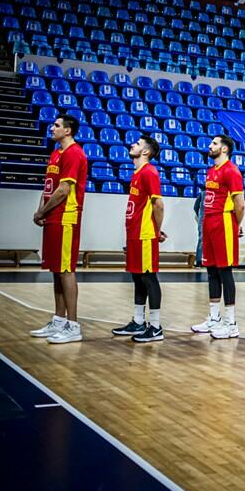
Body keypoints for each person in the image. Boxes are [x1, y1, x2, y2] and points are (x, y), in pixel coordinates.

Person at [29, 114, 88, 344]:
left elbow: (63, 190)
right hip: (52, 216)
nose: (51, 128)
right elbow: (49, 187)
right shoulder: (55, 154)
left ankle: (73, 325)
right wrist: (40, 210)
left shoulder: (74, 153)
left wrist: (42, 212)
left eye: (56, 125)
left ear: (68, 130)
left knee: (66, 269)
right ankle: (59, 320)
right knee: (56, 269)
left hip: (66, 217)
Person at [111, 135, 166, 343]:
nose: (132, 144)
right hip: (134, 233)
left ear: (145, 152)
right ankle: (137, 321)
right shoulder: (137, 173)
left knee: (148, 277)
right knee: (137, 276)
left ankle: (155, 326)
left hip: (145, 234)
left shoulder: (149, 172)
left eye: (137, 144)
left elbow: (158, 204)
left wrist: (157, 230)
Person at [190, 135, 245, 339]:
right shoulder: (212, 171)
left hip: (224, 222)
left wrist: (236, 225)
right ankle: (214, 318)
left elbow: (240, 204)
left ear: (224, 149)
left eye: (214, 143)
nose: (210, 146)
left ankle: (232, 324)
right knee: (211, 270)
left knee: (225, 271)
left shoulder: (231, 171)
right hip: (209, 222)